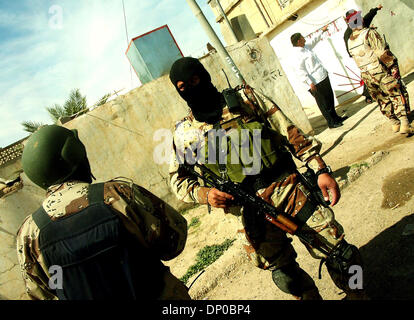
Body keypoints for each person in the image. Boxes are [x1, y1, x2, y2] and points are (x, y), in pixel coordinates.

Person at [168, 56, 366, 300]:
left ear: (204, 76)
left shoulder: (244, 99)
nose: (190, 89)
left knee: (341, 253)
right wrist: (205, 194)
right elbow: (178, 180)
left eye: (194, 80)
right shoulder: (184, 133)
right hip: (247, 212)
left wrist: (320, 169)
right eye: (182, 88)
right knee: (284, 274)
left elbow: (288, 131)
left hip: (288, 190)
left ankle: (360, 294)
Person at [17, 124, 190, 300]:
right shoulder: (118, 194)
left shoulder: (29, 234)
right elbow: (174, 241)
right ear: (75, 154)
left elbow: (40, 294)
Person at [346, 9, 413, 134]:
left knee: (382, 99)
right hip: (379, 71)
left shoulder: (349, 41)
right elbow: (382, 53)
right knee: (395, 93)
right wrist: (393, 67)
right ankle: (404, 123)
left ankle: (394, 123)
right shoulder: (369, 33)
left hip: (366, 75)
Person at [290, 28, 348, 129]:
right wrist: (309, 83)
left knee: (330, 99)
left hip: (322, 76)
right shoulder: (296, 55)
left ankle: (336, 118)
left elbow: (314, 40)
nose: (305, 39)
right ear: (298, 41)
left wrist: (322, 31)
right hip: (314, 82)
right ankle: (331, 122)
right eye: (302, 38)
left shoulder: (306, 47)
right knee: (323, 104)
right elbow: (300, 70)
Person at [343, 5, 383, 104]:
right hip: (360, 56)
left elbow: (368, 16)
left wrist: (376, 9)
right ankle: (369, 95)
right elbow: (349, 48)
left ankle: (372, 93)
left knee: (371, 72)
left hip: (369, 52)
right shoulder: (348, 33)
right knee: (367, 73)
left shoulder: (362, 23)